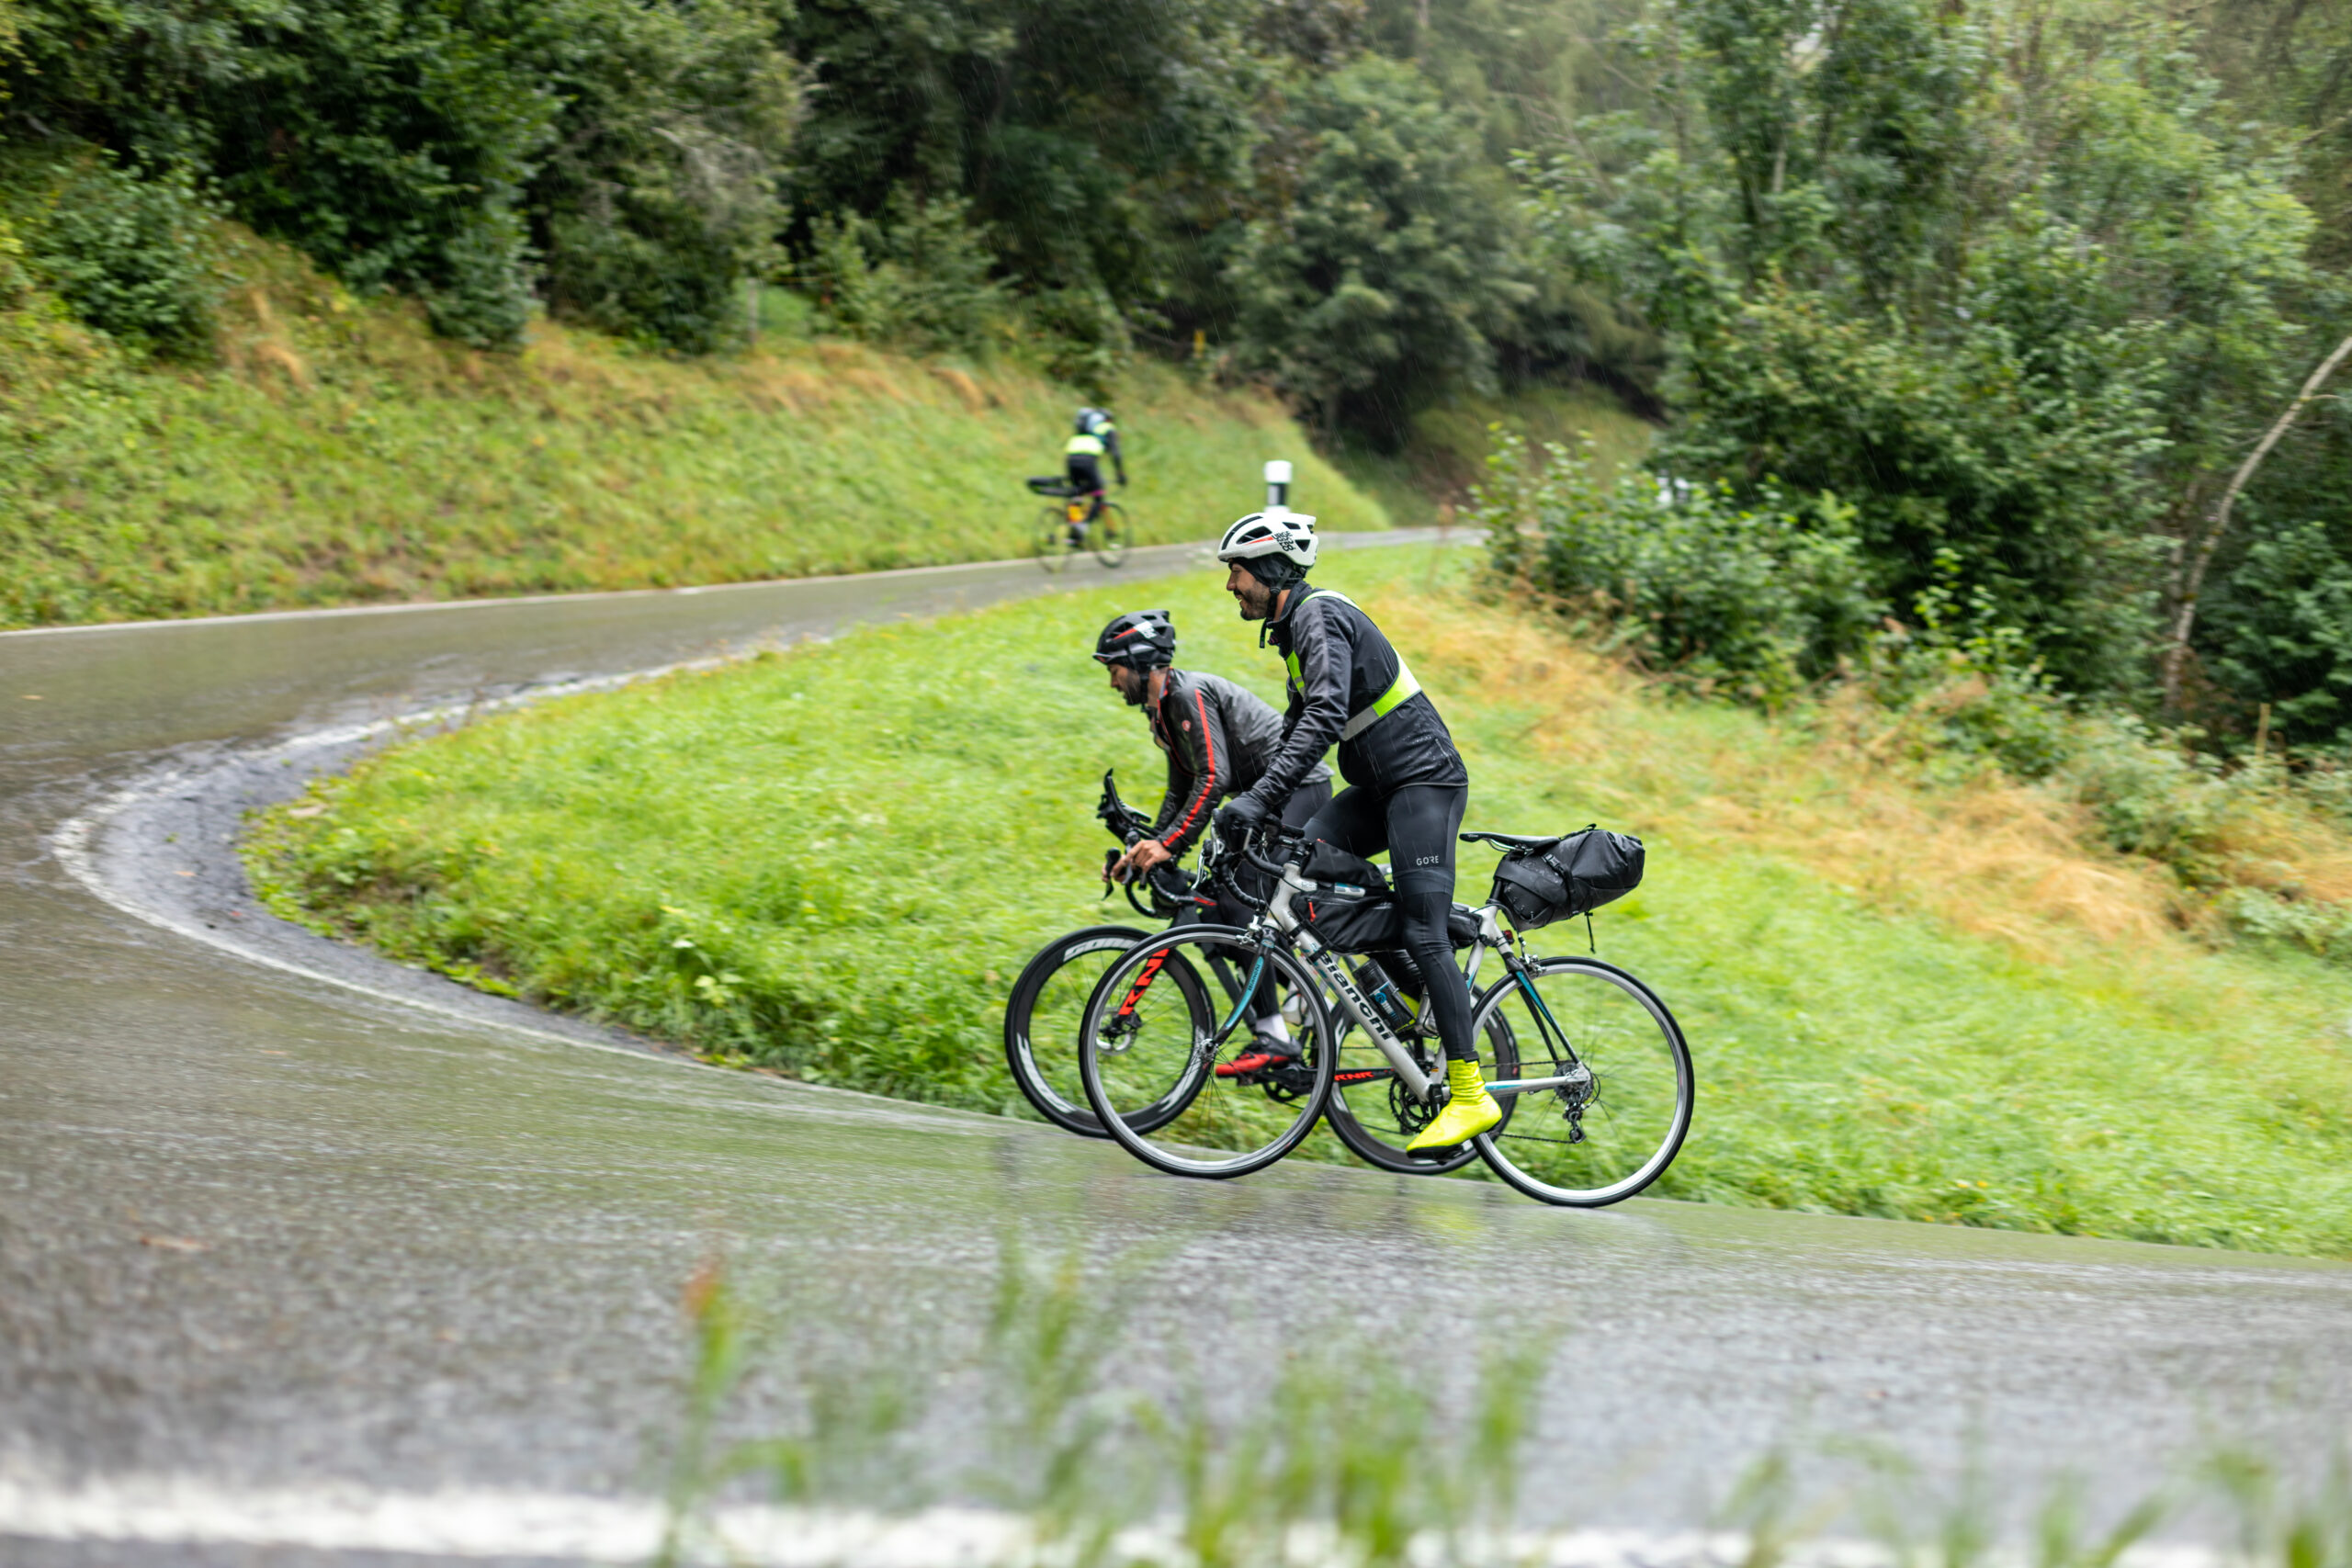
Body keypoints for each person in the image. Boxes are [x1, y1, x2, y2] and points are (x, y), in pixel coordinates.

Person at [1207, 510, 1498, 1156]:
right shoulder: (1293, 633)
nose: (1231, 585)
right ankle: (1406, 988)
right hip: (1378, 791)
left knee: (1423, 928)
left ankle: (1470, 1092)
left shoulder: (1319, 616)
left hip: (1423, 783)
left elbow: (1325, 716)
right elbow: (1293, 733)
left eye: (1237, 571)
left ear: (1272, 569)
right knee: (1302, 859)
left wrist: (1257, 798)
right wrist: (1255, 820)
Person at [1093, 608, 1331, 1073]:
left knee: (1243, 906)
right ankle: (1291, 1006)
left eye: (1114, 670)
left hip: (1300, 791)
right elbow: (1180, 791)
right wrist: (1144, 851)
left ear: (1140, 662)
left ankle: (1283, 1027)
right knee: (1223, 905)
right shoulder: (1163, 713)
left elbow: (1213, 778)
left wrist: (1169, 843)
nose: (1112, 682)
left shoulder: (1186, 694)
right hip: (1266, 800)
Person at [1063, 408, 1126, 537]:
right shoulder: (1108, 427)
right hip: (1088, 461)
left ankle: (1074, 535)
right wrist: (1120, 473)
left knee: (1077, 493)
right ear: (1108, 419)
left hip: (1070, 458)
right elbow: (1115, 453)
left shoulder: (1085, 431)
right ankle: (1082, 525)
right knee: (1098, 495)